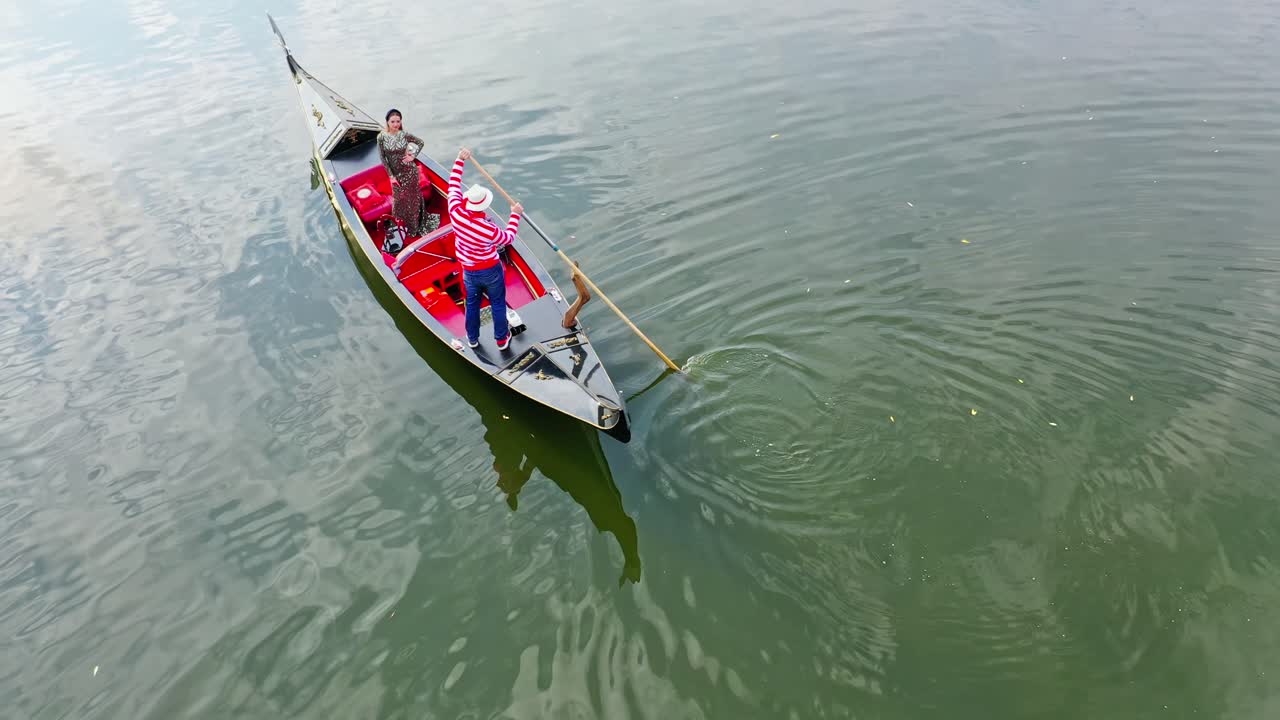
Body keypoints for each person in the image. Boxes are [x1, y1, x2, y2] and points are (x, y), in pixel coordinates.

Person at [449, 147, 523, 350]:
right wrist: (515, 214)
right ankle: (501, 339)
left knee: (471, 305)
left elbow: (453, 185)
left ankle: (472, 339)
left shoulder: (455, 210)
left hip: (469, 271)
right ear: (482, 206)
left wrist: (459, 160)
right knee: (498, 303)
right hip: (490, 270)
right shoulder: (488, 229)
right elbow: (508, 238)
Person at [377, 109, 439, 238]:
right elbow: (383, 158)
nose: (395, 124)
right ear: (387, 122)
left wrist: (412, 156)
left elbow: (420, 142)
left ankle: (415, 226)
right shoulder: (381, 137)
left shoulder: (404, 134)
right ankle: (400, 225)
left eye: (398, 121)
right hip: (395, 174)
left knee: (413, 200)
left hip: (410, 172)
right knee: (399, 201)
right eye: (392, 121)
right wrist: (391, 176)